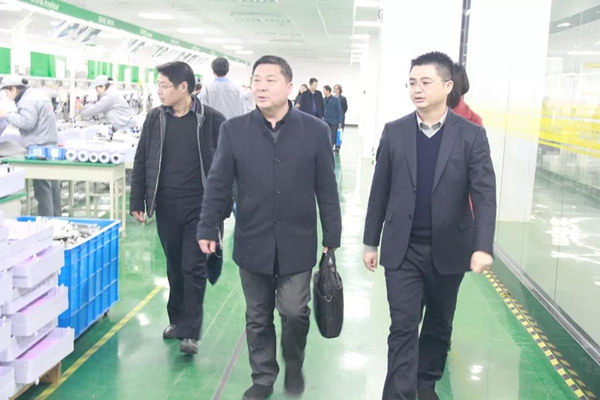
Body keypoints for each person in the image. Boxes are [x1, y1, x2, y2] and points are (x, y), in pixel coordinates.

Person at [197, 55, 342, 400]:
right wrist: (208, 226)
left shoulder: (315, 131)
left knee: (294, 311)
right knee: (258, 316)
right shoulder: (235, 130)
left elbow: (326, 188)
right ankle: (263, 376)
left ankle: (293, 361)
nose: (261, 87)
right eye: (256, 80)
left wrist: (331, 237)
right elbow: (218, 183)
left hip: (298, 239)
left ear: (289, 87)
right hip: (253, 238)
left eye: (270, 80)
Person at [362, 51, 496, 400]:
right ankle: (398, 394)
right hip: (403, 248)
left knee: (438, 323)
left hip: (449, 248)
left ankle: (425, 382)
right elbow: (380, 190)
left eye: (425, 82)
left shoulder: (471, 135)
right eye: (412, 83)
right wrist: (370, 242)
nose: (417, 89)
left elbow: (484, 194)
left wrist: (483, 246)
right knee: (402, 327)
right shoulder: (394, 132)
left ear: (448, 86)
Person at [130, 61, 226, 355]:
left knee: (192, 267)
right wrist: (137, 200)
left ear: (184, 87)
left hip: (200, 208)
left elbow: (228, 168)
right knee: (174, 266)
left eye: (164, 86)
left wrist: (223, 207)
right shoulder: (155, 119)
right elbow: (142, 159)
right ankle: (177, 321)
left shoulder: (212, 120)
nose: (159, 91)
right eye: (158, 85)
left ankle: (191, 331)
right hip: (166, 206)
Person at [0, 76, 61, 216]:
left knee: (42, 187)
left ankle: (47, 221)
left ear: (14, 89)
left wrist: (6, 115)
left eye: (6, 92)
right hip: (50, 145)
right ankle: (57, 219)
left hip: (39, 149)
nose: (7, 96)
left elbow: (28, 123)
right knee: (54, 185)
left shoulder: (26, 100)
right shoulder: (39, 95)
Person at [323, 85, 343, 152]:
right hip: (325, 121)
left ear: (328, 91)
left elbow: (339, 111)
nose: (323, 92)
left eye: (324, 90)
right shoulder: (323, 99)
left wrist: (340, 122)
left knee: (332, 136)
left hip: (334, 121)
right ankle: (326, 148)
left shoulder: (335, 99)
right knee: (326, 135)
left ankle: (330, 149)